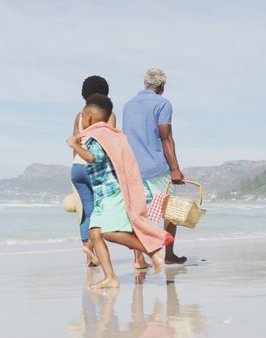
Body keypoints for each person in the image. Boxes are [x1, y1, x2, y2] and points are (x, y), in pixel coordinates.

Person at [66, 94, 173, 289]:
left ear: (87, 116)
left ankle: (152, 250)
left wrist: (74, 145)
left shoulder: (98, 137)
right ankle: (110, 278)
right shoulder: (110, 134)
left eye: (82, 116)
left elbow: (92, 158)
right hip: (101, 194)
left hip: (111, 193)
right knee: (95, 233)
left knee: (110, 232)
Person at [122, 68, 187, 265]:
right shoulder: (162, 104)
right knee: (172, 210)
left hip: (132, 167)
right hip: (156, 168)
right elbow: (165, 137)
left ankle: (139, 258)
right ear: (161, 86)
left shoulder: (128, 105)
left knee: (137, 213)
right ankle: (168, 254)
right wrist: (175, 168)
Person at [71, 75, 116, 267]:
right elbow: (110, 143)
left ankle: (89, 257)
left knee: (85, 213)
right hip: (95, 167)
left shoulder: (79, 116)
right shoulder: (108, 114)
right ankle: (95, 250)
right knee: (99, 212)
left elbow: (75, 143)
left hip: (77, 166)